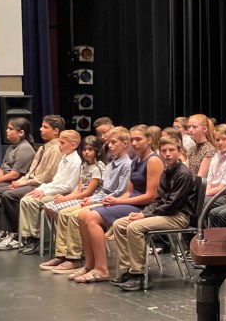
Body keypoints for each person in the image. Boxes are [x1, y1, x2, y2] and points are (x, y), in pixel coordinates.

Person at [74, 125, 164, 283]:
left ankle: (102, 269)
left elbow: (151, 196)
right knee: (82, 215)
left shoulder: (154, 160)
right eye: (132, 140)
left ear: (149, 140)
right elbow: (129, 191)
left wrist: (119, 201)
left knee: (92, 218)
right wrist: (114, 201)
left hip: (143, 207)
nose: (134, 143)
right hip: (131, 202)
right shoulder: (136, 160)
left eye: (138, 139)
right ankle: (90, 264)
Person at [109, 134, 197, 292]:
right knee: (119, 224)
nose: (167, 154)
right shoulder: (166, 171)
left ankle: (139, 274)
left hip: (178, 216)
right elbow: (158, 200)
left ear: (179, 151)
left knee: (135, 227)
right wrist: (143, 212)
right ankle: (128, 269)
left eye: (171, 150)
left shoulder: (183, 174)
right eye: (164, 151)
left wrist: (145, 215)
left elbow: (172, 205)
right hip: (164, 214)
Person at [0, 115, 66, 250]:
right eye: (41, 126)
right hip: (32, 182)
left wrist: (24, 183)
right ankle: (4, 231)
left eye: (45, 127)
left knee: (10, 195)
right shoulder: (43, 148)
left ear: (56, 131)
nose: (41, 129)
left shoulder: (56, 149)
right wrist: (20, 181)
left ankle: (15, 235)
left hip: (42, 185)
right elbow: (31, 171)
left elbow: (48, 176)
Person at [39, 136, 107, 270]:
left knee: (69, 215)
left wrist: (66, 199)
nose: (86, 152)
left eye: (90, 150)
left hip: (91, 199)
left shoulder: (99, 167)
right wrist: (66, 197)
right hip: (81, 197)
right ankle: (61, 254)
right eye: (84, 149)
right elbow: (79, 189)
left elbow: (88, 192)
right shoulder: (84, 165)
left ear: (97, 151)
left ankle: (75, 256)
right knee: (56, 210)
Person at [16, 130, 83, 255]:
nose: (59, 146)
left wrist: (45, 191)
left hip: (65, 195)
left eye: (62, 143)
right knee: (25, 199)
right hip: (54, 191)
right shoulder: (63, 158)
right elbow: (55, 181)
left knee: (34, 202)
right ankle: (27, 236)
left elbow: (68, 186)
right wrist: (41, 189)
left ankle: (36, 238)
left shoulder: (76, 162)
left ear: (73, 145)